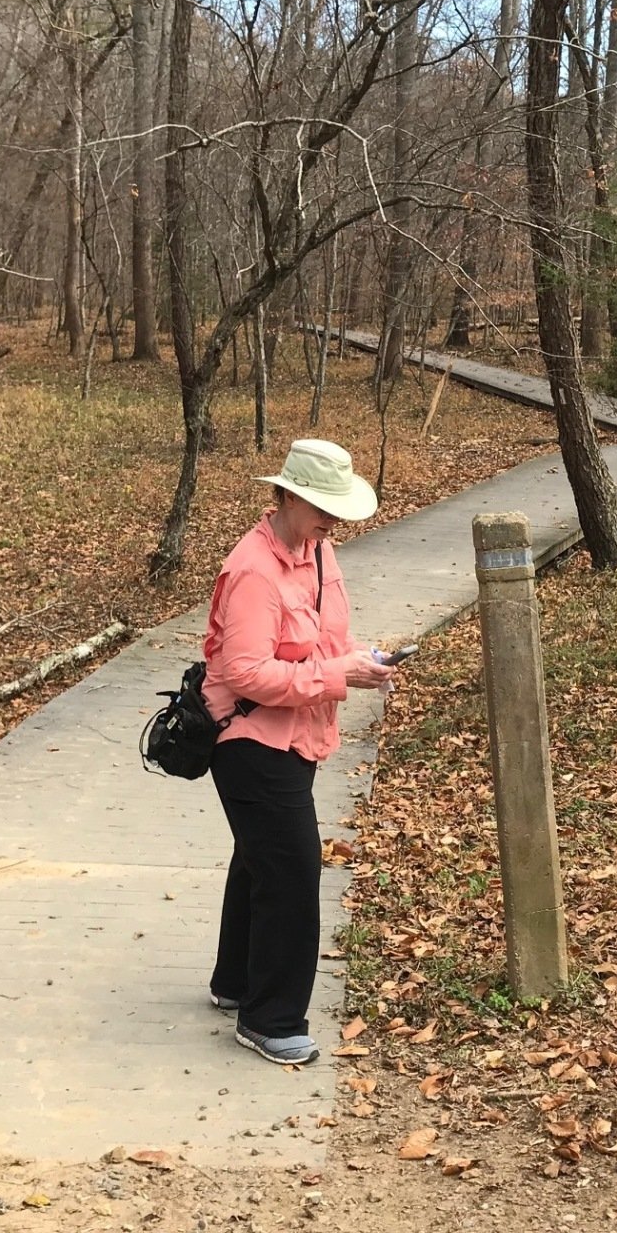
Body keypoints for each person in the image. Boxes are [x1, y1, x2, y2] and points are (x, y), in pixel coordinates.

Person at [201, 439, 394, 1065]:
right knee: (291, 868)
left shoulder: (319, 553)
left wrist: (361, 661)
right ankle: (271, 1017)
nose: (333, 520)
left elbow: (332, 637)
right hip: (249, 737)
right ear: (286, 496)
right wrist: (338, 677)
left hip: (299, 735)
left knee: (262, 854)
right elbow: (248, 673)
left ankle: (235, 983)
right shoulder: (253, 570)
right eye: (322, 506)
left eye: (337, 510)